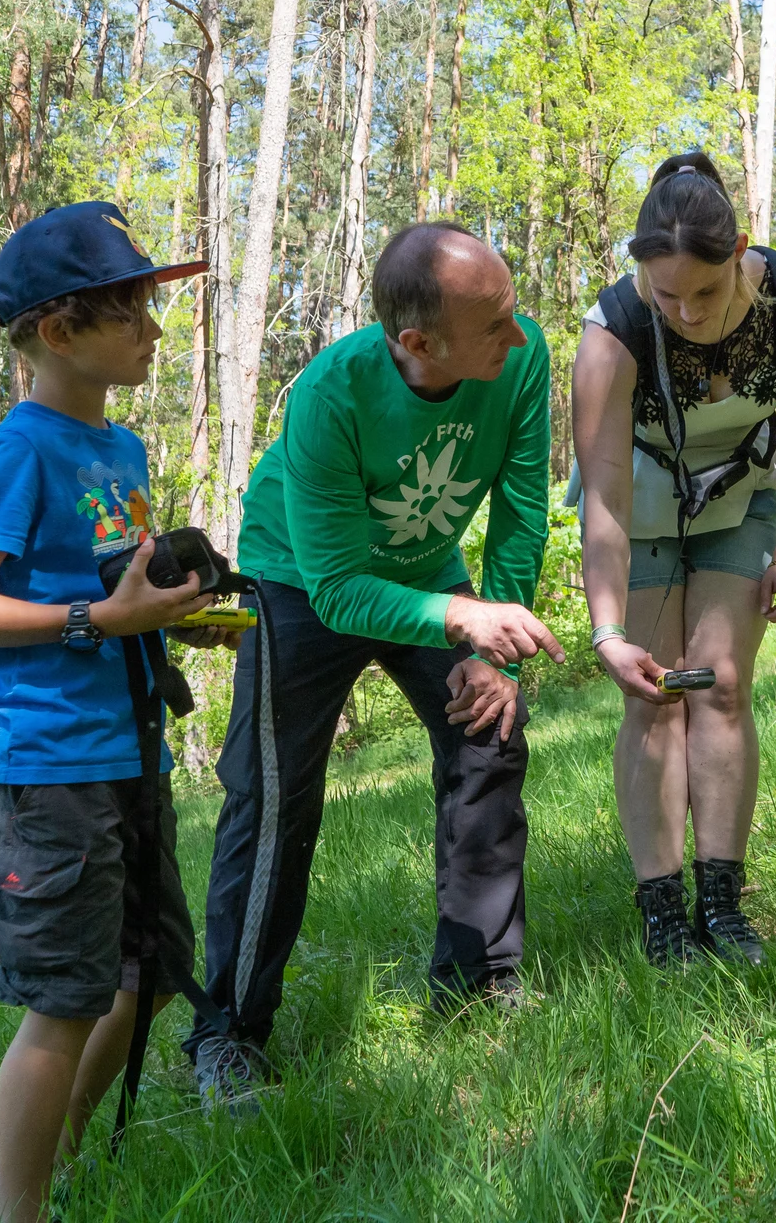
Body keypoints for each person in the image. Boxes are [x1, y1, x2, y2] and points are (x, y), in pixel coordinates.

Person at [186, 221, 562, 1107]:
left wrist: (491, 648)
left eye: (513, 315)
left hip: (428, 577)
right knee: (275, 797)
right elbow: (341, 592)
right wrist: (461, 615)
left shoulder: (525, 354)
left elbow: (519, 507)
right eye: (495, 326)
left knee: (488, 736)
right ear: (418, 343)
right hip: (304, 582)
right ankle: (228, 1036)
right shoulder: (329, 394)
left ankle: (478, 986)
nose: (519, 336)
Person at [0, 202, 240, 1223]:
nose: (155, 331)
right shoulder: (20, 451)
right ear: (59, 330)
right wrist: (99, 617)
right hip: (48, 765)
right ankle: (23, 1210)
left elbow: (114, 597)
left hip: (126, 751)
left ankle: (57, 1151)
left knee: (152, 973)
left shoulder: (123, 449)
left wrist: (166, 621)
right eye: (133, 313)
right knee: (64, 1001)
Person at [572, 151, 776, 966]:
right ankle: (662, 910)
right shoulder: (613, 329)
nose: (685, 312)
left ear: (743, 252)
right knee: (658, 693)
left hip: (740, 494)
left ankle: (722, 900)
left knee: (718, 681)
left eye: (706, 292)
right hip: (645, 499)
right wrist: (608, 632)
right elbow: (607, 500)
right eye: (667, 295)